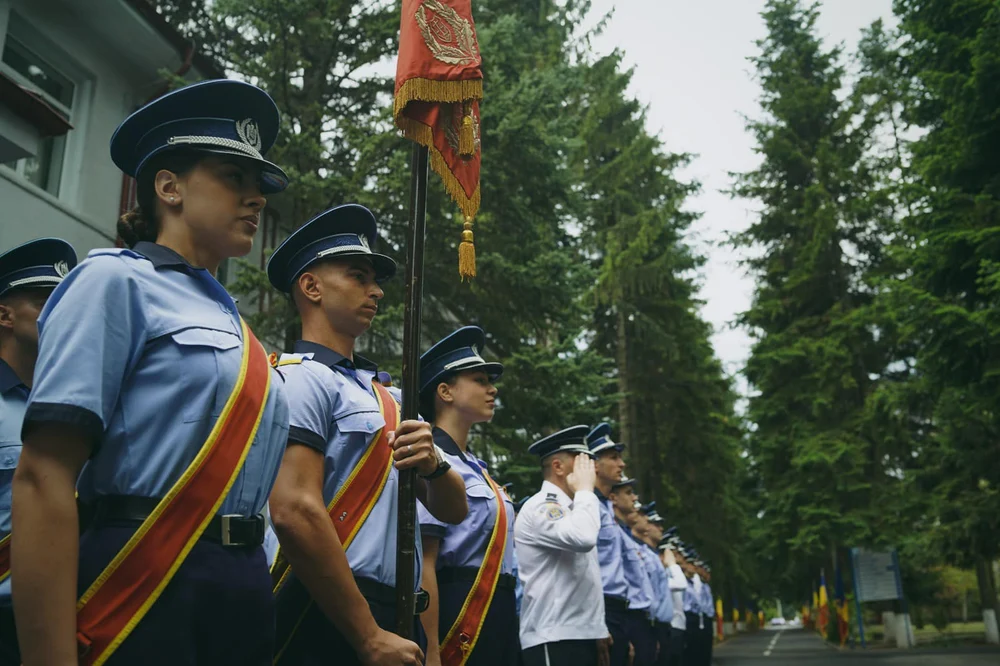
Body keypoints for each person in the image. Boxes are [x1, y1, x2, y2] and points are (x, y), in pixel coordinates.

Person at [11, 79, 292, 666]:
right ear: (169, 187)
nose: (257, 197)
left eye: (259, 184)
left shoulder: (240, 331)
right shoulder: (113, 282)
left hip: (241, 583)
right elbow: (44, 475)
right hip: (145, 575)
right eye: (233, 178)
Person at [265, 204, 468, 666]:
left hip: (397, 609)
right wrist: (367, 635)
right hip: (327, 606)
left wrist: (435, 466)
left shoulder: (389, 397)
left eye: (374, 280)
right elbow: (294, 509)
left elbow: (454, 510)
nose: (376, 290)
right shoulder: (298, 379)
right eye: (357, 276)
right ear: (311, 287)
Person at [415, 326, 518, 666]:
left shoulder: (477, 468)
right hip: (458, 608)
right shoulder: (429, 462)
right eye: (480, 380)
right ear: (445, 391)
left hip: (498, 610)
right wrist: (430, 649)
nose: (493, 389)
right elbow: (425, 561)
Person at [0, 238, 77, 666]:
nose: (58, 310)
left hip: (63, 613)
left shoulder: (69, 407)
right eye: (43, 300)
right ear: (4, 315)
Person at [514, 426, 606, 666]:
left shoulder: (574, 508)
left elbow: (587, 575)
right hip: (554, 637)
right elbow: (584, 539)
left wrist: (597, 628)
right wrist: (586, 490)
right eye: (582, 462)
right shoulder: (542, 507)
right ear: (558, 467)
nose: (591, 469)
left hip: (580, 634)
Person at [586, 423, 630, 666]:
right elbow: (584, 568)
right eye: (613, 458)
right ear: (594, 465)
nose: (621, 464)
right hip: (601, 608)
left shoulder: (603, 507)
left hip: (617, 610)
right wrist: (597, 624)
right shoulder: (587, 505)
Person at [610, 479, 656, 666]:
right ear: (613, 498)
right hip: (625, 615)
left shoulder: (626, 536)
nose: (635, 498)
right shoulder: (614, 531)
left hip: (637, 618)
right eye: (629, 493)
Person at [633, 509, 673, 666]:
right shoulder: (643, 554)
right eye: (656, 524)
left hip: (656, 624)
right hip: (646, 623)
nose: (661, 529)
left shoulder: (652, 555)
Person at [658, 531, 687, 666]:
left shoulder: (669, 573)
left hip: (674, 627)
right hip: (665, 627)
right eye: (671, 554)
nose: (674, 557)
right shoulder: (663, 573)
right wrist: (672, 564)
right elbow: (681, 583)